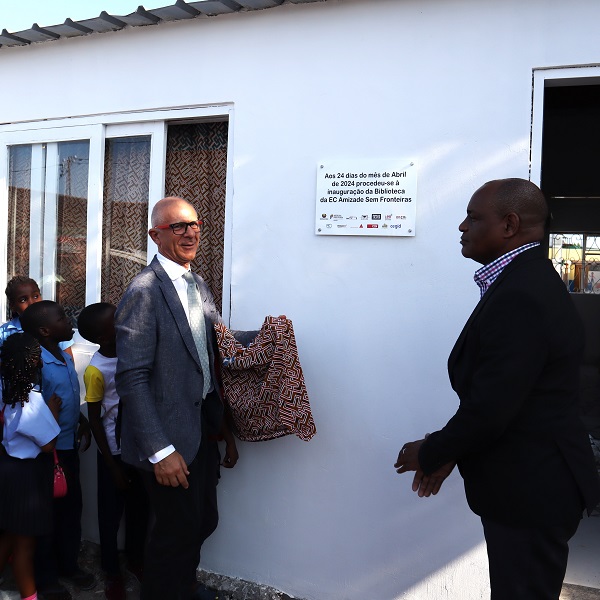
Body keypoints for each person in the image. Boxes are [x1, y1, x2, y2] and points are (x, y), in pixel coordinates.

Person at [395, 178, 600, 600]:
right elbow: (507, 397)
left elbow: (492, 407)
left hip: (532, 490)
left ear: (509, 225)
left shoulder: (523, 294)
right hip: (530, 483)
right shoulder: (524, 282)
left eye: (472, 217)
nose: (461, 227)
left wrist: (434, 450)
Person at [115, 197, 239, 600]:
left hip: (200, 427)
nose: (189, 232)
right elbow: (132, 377)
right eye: (177, 227)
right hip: (167, 439)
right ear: (155, 235)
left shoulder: (196, 283)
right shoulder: (144, 291)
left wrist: (270, 342)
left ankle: (182, 585)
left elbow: (212, 345)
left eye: (194, 224)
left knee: (203, 520)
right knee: (174, 533)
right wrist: (159, 450)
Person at [20, 301, 94, 600]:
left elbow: (67, 396)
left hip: (68, 448)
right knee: (47, 518)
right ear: (45, 330)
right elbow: (30, 410)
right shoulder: (35, 363)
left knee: (71, 510)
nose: (69, 320)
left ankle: (69, 565)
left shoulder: (61, 356)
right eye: (63, 318)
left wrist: (81, 420)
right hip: (46, 454)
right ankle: (46, 578)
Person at [78, 302, 148, 600]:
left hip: (140, 448)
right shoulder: (95, 370)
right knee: (109, 517)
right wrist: (113, 466)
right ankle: (111, 573)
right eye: (115, 322)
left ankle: (136, 560)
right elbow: (94, 419)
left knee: (140, 511)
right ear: (104, 338)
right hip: (113, 454)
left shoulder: (135, 354)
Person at [0, 333, 61, 600]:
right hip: (27, 478)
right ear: (35, 361)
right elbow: (48, 444)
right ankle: (29, 597)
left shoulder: (8, 394)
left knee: (10, 536)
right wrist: (53, 412)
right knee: (25, 546)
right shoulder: (31, 401)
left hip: (10, 471)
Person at [0, 277, 73, 356]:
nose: (32, 303)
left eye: (35, 296)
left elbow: (68, 361)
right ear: (12, 306)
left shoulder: (55, 326)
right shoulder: (4, 333)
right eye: (23, 300)